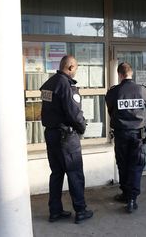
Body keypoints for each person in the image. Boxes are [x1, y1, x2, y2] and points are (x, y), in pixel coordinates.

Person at [40, 55, 93, 224]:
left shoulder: (49, 83)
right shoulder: (66, 84)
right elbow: (73, 112)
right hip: (66, 137)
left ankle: (54, 211)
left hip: (51, 135)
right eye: (76, 68)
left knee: (56, 173)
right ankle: (81, 211)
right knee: (75, 173)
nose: (75, 71)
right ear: (70, 67)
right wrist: (82, 127)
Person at [105, 62, 146, 213]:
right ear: (131, 73)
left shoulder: (113, 92)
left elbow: (110, 110)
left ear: (119, 75)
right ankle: (132, 199)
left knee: (123, 164)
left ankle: (126, 194)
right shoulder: (142, 90)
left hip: (121, 134)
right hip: (138, 135)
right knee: (136, 165)